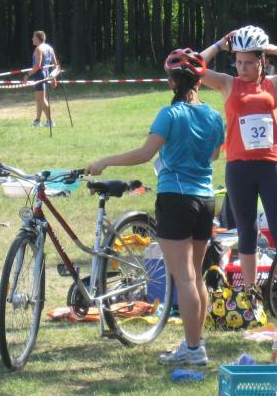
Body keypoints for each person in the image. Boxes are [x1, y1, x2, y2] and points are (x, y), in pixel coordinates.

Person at [86, 49, 224, 366]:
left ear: (172, 82)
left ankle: (193, 349)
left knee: (184, 278)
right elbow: (214, 155)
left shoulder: (170, 114)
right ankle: (196, 344)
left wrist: (105, 161)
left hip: (176, 198)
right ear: (199, 82)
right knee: (196, 276)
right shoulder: (214, 117)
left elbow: (145, 153)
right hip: (206, 200)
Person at [199, 25, 277, 314]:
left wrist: (273, 47)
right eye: (239, 62)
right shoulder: (228, 84)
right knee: (247, 231)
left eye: (249, 62)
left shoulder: (274, 84)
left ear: (262, 60)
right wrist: (218, 46)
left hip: (271, 165)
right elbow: (194, 68)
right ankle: (250, 295)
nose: (243, 68)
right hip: (239, 168)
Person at [22, 30, 59, 128]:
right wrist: (53, 78)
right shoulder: (50, 48)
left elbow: (37, 66)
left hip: (39, 75)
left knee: (41, 99)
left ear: (38, 38)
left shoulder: (38, 49)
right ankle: (37, 121)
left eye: (33, 37)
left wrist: (27, 75)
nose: (32, 39)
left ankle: (50, 121)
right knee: (39, 99)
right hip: (46, 74)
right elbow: (55, 65)